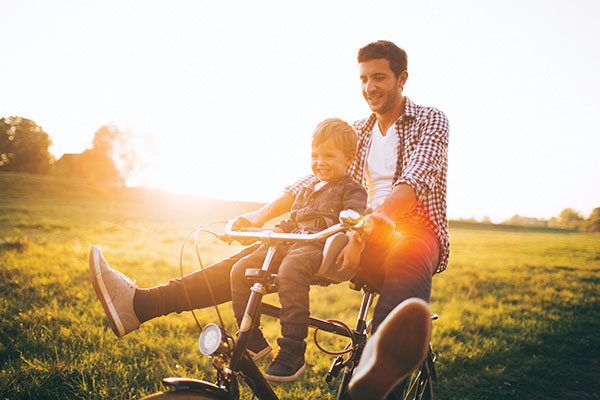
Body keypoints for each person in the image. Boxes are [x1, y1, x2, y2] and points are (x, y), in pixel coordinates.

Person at [89, 40, 449, 400]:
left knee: (408, 252)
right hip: (354, 233)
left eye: (379, 78)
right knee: (262, 255)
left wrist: (377, 218)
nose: (370, 87)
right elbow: (315, 182)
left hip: (411, 231)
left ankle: (377, 377)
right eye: (364, 79)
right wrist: (260, 215)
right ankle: (142, 305)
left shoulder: (430, 120)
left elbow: (417, 177)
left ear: (402, 78)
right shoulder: (358, 132)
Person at [229, 118, 367, 382]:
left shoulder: (352, 189)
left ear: (349, 158)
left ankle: (292, 350)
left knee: (291, 271)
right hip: (290, 242)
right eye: (315, 156)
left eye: (329, 156)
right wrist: (270, 233)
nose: (320, 162)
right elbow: (291, 220)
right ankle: (252, 337)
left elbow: (355, 217)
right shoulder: (306, 190)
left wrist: (353, 237)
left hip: (318, 245)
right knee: (240, 270)